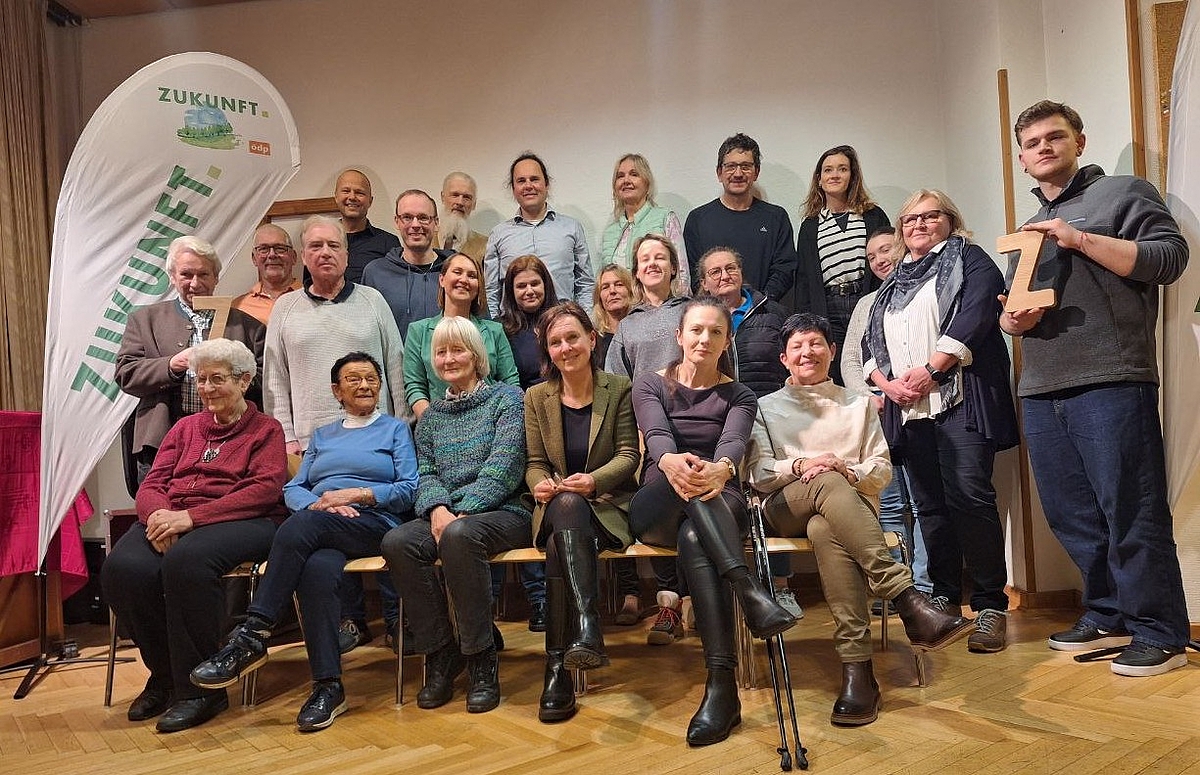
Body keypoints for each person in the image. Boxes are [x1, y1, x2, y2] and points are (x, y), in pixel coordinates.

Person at [1001, 100, 1191, 675]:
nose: (1043, 148)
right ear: (1022, 157)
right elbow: (1015, 308)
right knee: (1070, 513)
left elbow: (1169, 257)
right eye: (1032, 143)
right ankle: (1106, 611)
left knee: (1131, 508)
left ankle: (1159, 632)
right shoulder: (1025, 229)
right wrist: (1012, 322)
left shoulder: (1122, 193)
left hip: (1112, 376)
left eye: (1054, 137)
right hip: (1041, 384)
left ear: (1079, 141)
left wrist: (1080, 241)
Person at [748, 314, 973, 726]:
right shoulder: (764, 407)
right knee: (826, 485)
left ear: (832, 352)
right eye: (797, 347)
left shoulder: (857, 403)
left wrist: (849, 472)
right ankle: (906, 598)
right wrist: (804, 464)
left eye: (816, 344)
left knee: (826, 527)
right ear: (784, 358)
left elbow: (881, 468)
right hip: (785, 507)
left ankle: (859, 673)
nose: (807, 353)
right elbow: (758, 473)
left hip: (845, 513)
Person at [189, 352, 419, 732]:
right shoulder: (324, 435)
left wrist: (355, 496)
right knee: (315, 568)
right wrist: (318, 505)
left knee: (298, 530)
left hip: (374, 524)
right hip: (322, 525)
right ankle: (329, 687)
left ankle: (253, 633)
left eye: (370, 378)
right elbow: (294, 488)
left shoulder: (394, 430)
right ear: (336, 390)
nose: (364, 385)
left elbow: (409, 489)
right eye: (353, 379)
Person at [630, 297, 797, 747]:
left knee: (695, 533)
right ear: (680, 336)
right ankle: (749, 591)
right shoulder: (649, 384)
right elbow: (658, 437)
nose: (705, 339)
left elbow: (733, 444)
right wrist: (673, 463)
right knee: (685, 500)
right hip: (659, 501)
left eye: (715, 333)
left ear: (727, 342)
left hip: (719, 500)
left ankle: (721, 688)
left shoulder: (739, 394)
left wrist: (721, 468)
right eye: (696, 330)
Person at [101, 338, 286, 733]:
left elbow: (264, 491)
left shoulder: (266, 429)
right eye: (201, 380)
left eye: (217, 379)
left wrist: (191, 517)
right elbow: (154, 481)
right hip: (172, 517)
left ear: (244, 381)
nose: (206, 388)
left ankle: (201, 689)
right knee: (123, 569)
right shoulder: (185, 428)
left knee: (187, 562)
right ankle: (165, 675)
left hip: (242, 519)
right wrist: (158, 517)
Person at [862, 190, 1018, 653]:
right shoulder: (893, 282)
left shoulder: (971, 260)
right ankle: (945, 600)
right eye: (910, 219)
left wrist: (932, 370)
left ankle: (990, 604)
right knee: (930, 505)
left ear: (951, 220)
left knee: (970, 497)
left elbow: (975, 317)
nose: (919, 225)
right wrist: (887, 385)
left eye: (931, 216)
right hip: (910, 409)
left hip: (958, 400)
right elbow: (873, 343)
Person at [381, 317, 530, 714]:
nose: (449, 358)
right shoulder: (431, 417)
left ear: (477, 356)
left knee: (460, 537)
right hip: (446, 516)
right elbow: (424, 473)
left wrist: (459, 513)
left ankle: (481, 656)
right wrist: (437, 509)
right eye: (441, 352)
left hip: (504, 510)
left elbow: (506, 467)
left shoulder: (507, 399)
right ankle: (442, 651)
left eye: (457, 349)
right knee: (397, 542)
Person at [524, 302, 640, 722]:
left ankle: (556, 668)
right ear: (548, 352)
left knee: (560, 543)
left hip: (608, 508)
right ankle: (587, 628)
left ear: (592, 340)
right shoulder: (536, 397)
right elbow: (535, 460)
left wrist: (594, 481)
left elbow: (629, 455)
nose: (565, 347)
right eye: (555, 342)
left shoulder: (619, 389)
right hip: (557, 505)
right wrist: (538, 483)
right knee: (566, 507)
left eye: (573, 337)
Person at [697, 246, 799, 617]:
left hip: (769, 414)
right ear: (703, 282)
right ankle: (730, 590)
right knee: (724, 498)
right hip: (716, 417)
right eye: (714, 272)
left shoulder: (771, 313)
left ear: (742, 272)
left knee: (772, 496)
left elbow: (790, 358)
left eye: (730, 269)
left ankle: (781, 587)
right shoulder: (699, 317)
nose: (723, 276)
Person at [116, 235, 265, 482]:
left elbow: (263, 378)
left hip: (232, 442)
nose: (195, 283)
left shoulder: (248, 326)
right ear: (172, 277)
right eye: (186, 275)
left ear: (216, 277)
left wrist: (231, 373)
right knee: (161, 513)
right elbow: (126, 374)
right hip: (162, 442)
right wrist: (173, 364)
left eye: (204, 274)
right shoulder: (144, 320)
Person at [604, 234, 690, 643]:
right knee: (658, 516)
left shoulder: (693, 311)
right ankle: (669, 602)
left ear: (674, 267)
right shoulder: (629, 325)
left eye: (660, 257)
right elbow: (617, 386)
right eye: (644, 259)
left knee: (697, 510)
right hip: (647, 435)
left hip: (697, 426)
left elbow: (725, 368)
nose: (653, 263)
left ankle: (700, 601)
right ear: (636, 271)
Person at [264, 215, 409, 455]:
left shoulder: (372, 300)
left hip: (375, 439)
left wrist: (401, 428)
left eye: (333, 245)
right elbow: (274, 380)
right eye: (315, 245)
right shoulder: (284, 307)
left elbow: (396, 366)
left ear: (346, 255)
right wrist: (286, 437)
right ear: (302, 256)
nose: (325, 252)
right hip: (309, 445)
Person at [842, 227, 929, 593]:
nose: (879, 259)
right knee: (889, 503)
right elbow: (850, 359)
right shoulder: (866, 304)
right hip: (879, 413)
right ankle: (896, 586)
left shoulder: (927, 292)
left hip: (922, 402)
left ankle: (926, 584)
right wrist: (868, 397)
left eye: (886, 249)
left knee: (924, 501)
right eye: (871, 256)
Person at [793, 145, 891, 383]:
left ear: (852, 176)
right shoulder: (811, 225)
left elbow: (889, 261)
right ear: (819, 179)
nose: (834, 175)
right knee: (835, 369)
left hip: (867, 299)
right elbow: (805, 279)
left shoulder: (872, 215)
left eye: (842, 169)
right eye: (828, 170)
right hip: (830, 307)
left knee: (873, 360)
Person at [683, 133, 797, 303]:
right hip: (713, 316)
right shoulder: (698, 219)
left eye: (745, 166)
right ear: (719, 173)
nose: (738, 173)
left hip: (762, 314)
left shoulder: (776, 217)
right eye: (730, 166)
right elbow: (693, 273)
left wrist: (756, 303)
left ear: (756, 172)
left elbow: (785, 268)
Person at [405, 252, 519, 418]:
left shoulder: (495, 331)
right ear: (442, 279)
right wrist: (434, 425)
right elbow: (415, 387)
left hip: (491, 423)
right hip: (438, 426)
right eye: (457, 272)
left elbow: (511, 383)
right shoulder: (418, 331)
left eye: (472, 276)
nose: (464, 280)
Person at [484, 152, 594, 316]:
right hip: (514, 330)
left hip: (562, 325)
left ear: (546, 184)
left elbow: (585, 282)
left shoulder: (571, 228)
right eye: (521, 181)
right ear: (513, 189)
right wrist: (496, 327)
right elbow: (492, 289)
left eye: (534, 179)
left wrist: (584, 321)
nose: (528, 185)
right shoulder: (499, 234)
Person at [361, 189, 456, 337]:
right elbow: (367, 332)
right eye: (407, 217)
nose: (415, 224)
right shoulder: (376, 273)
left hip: (450, 359)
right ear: (397, 222)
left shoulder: (456, 271)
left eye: (423, 217)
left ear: (436, 223)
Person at [599, 153, 690, 289]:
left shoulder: (665, 218)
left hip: (661, 306)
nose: (626, 180)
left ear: (647, 183)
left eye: (634, 174)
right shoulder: (610, 231)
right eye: (620, 176)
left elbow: (681, 274)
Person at [325, 168, 400, 286]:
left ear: (370, 201)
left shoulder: (388, 243)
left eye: (359, 192)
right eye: (346, 191)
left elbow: (396, 287)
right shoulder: (320, 241)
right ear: (336, 197)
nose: (352, 197)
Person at [499, 254, 560, 391]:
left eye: (535, 284)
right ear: (511, 291)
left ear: (545, 284)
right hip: (525, 404)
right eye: (521, 286)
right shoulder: (501, 330)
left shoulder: (564, 321)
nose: (529, 291)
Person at [232, 223, 301, 325]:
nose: (272, 255)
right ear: (254, 259)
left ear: (294, 257)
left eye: (280, 248)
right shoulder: (236, 308)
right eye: (264, 249)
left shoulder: (313, 300)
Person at [591, 263, 635, 372]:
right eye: (605, 287)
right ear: (599, 297)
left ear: (630, 291)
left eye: (619, 284)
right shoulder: (594, 341)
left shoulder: (641, 332)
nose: (612, 291)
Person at [438, 172, 488, 263]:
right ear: (443, 197)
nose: (460, 202)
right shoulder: (425, 239)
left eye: (467, 197)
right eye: (455, 195)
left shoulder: (485, 246)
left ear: (474, 204)